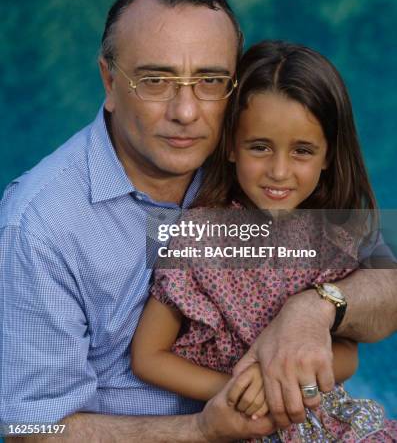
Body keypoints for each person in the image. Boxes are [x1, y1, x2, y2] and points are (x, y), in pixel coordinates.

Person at [0, 0, 396, 442]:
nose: (186, 112)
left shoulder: (257, 167)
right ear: (109, 81)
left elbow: (384, 287)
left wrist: (314, 309)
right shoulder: (38, 226)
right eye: (156, 80)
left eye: (210, 80)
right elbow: (27, 428)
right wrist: (201, 429)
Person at [132, 40, 397, 440]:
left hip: (320, 422)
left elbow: (346, 355)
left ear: (327, 156)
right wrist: (242, 393)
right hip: (230, 420)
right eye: (260, 147)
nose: (278, 171)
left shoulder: (335, 236)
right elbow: (148, 357)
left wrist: (289, 385)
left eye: (302, 151)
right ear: (232, 147)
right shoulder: (195, 235)